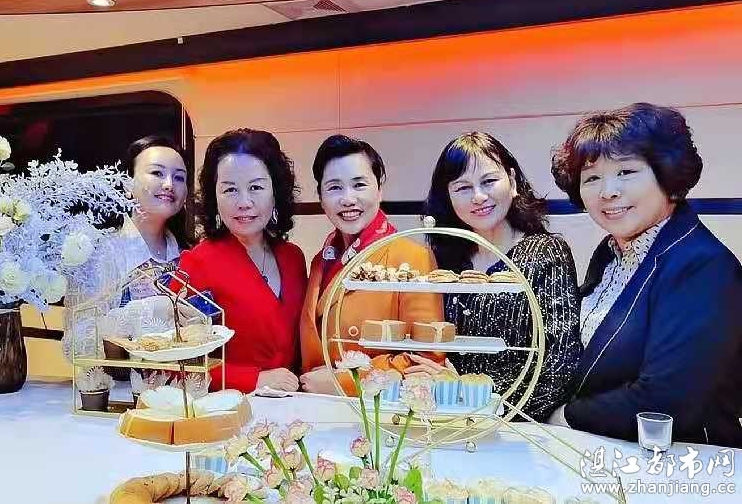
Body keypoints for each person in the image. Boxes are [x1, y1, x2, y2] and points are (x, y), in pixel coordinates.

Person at [548, 102, 742, 447]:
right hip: (609, 453)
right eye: (592, 178)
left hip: (687, 462)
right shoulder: (610, 253)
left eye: (626, 172)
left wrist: (565, 416)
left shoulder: (702, 266)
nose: (608, 191)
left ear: (667, 176)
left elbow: (667, 399)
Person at [420, 132, 581, 421]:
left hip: (516, 427)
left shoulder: (546, 253)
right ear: (448, 196)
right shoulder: (445, 260)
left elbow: (559, 365)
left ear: (512, 181)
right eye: (463, 187)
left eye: (489, 181)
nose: (479, 197)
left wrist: (466, 394)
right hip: (446, 420)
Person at [299, 134, 444, 394]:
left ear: (379, 189)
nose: (348, 199)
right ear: (320, 197)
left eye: (359, 185)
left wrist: (342, 382)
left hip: (374, 408)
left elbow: (426, 357)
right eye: (334, 187)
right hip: (315, 404)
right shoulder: (321, 260)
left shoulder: (412, 257)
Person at [173, 128, 307, 393]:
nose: (244, 202)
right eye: (230, 189)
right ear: (214, 197)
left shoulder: (293, 257)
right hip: (232, 406)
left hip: (294, 404)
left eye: (256, 187)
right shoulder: (197, 263)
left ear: (275, 192)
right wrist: (254, 379)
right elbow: (174, 361)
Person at [63, 134, 192, 360]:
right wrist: (140, 314)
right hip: (122, 381)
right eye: (157, 173)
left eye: (179, 177)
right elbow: (76, 344)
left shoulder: (189, 254)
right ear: (127, 184)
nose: (169, 184)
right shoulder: (101, 254)